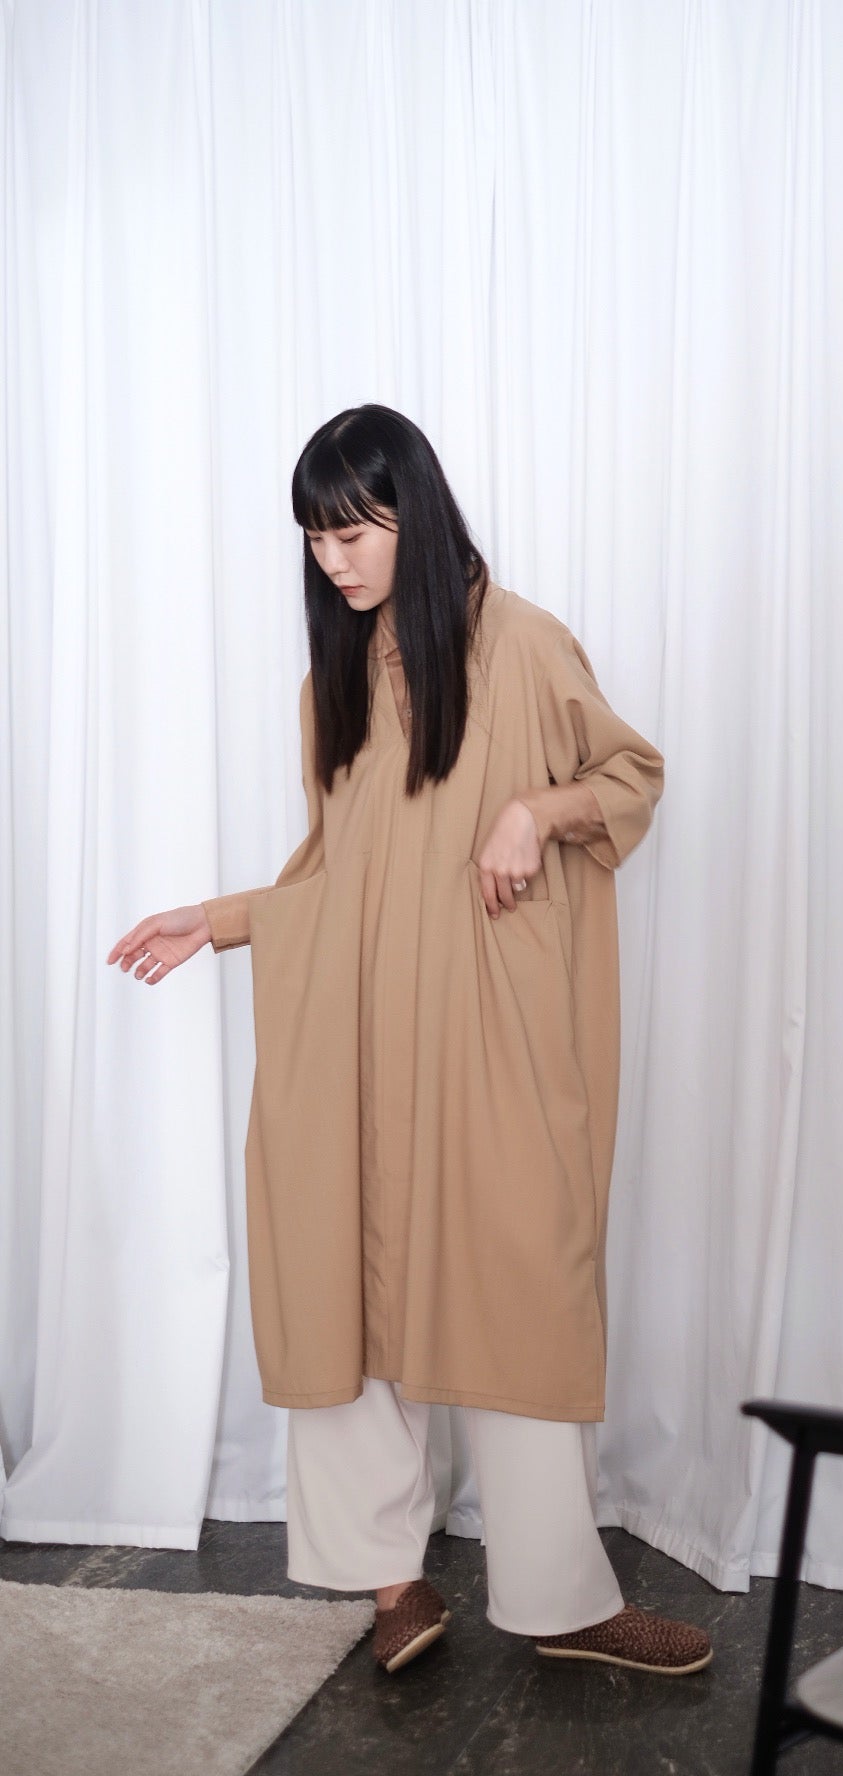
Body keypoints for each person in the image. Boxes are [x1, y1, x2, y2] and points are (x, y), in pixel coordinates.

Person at [107, 405, 712, 1677]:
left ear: (414, 513)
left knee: (520, 1292)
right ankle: (392, 1583)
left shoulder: (523, 643)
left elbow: (631, 776)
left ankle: (563, 1601)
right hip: (362, 1041)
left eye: (356, 529)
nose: (333, 559)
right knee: (347, 1279)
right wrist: (218, 919)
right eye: (314, 537)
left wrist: (535, 810)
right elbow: (338, 879)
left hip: (492, 1040)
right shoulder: (329, 689)